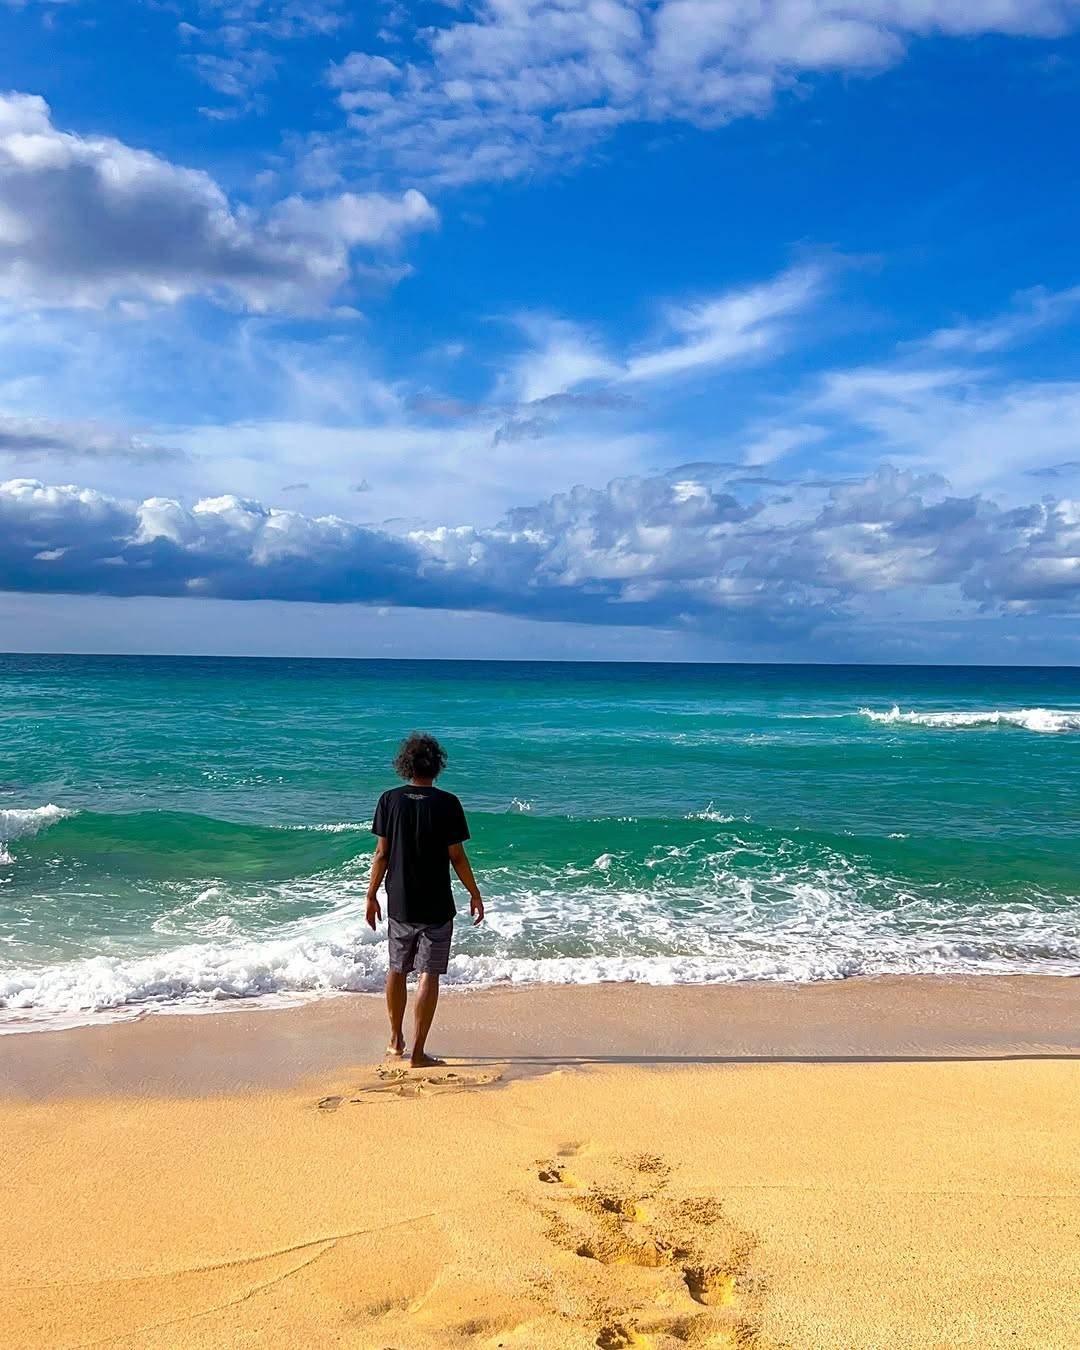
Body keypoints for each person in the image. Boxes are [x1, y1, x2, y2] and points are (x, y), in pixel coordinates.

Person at [365, 732, 484, 1067]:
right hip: (436, 903)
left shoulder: (389, 800)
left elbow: (381, 855)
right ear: (437, 766)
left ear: (406, 765)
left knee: (397, 968)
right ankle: (418, 1051)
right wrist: (474, 893)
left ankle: (394, 1039)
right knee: (429, 973)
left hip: (400, 901)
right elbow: (457, 857)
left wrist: (371, 894)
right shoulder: (448, 803)